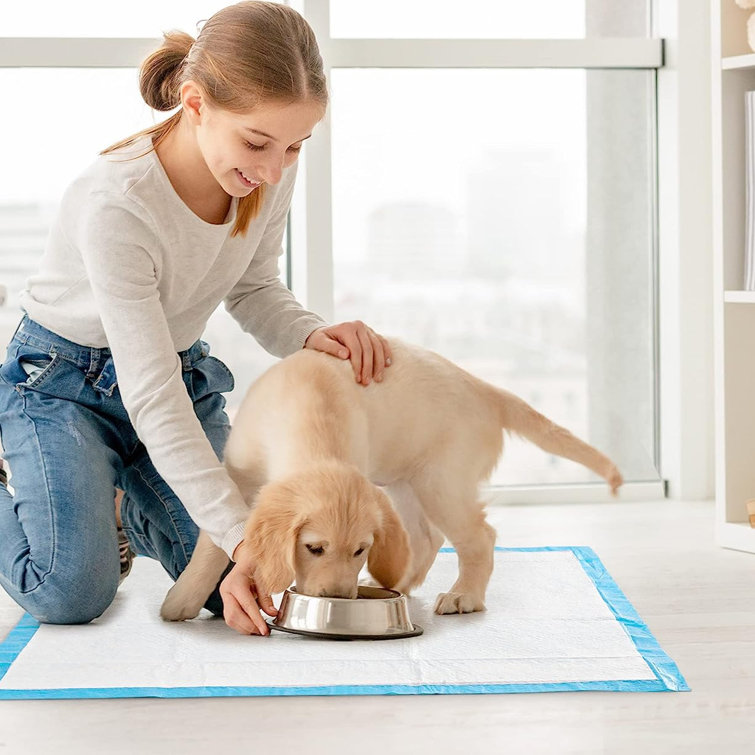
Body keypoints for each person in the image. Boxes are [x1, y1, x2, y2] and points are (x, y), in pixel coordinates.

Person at [0, 1, 390, 637]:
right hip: (63, 385)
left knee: (233, 588)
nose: (272, 168)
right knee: (71, 591)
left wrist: (310, 333)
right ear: (194, 102)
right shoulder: (116, 204)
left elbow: (255, 285)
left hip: (177, 378)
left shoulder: (266, 170)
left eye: (295, 145)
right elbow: (150, 396)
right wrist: (243, 540)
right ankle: (81, 494)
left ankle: (115, 503)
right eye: (258, 142)